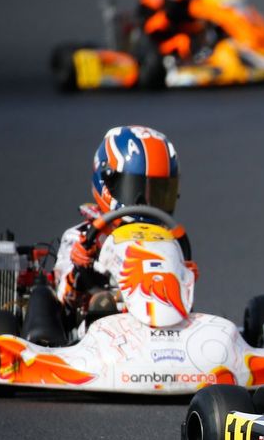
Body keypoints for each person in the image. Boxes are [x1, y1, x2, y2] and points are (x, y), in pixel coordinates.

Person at [53, 125, 188, 322]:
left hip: (158, 327)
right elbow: (63, 302)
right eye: (136, 190)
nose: (146, 203)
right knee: (91, 302)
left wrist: (187, 275)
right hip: (94, 335)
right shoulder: (81, 237)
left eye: (159, 192)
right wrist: (78, 271)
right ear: (108, 183)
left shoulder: (167, 239)